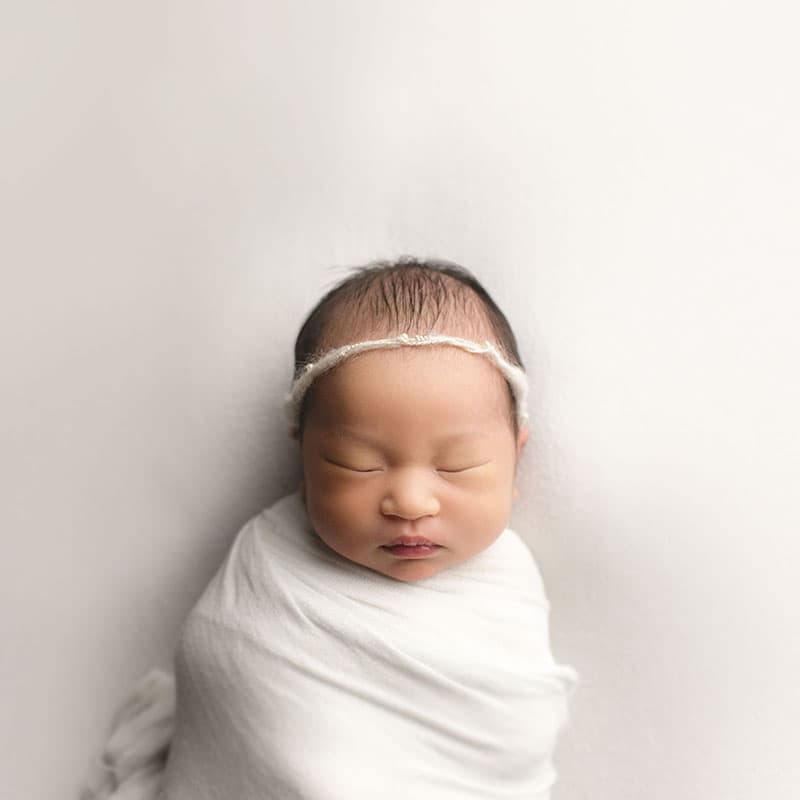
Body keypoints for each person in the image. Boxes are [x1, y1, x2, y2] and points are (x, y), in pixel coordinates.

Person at [81, 257, 579, 800]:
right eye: (357, 464)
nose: (409, 501)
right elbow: (227, 668)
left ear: (516, 460)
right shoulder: (270, 562)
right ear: (305, 457)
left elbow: (514, 734)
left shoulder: (506, 586)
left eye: (456, 465)